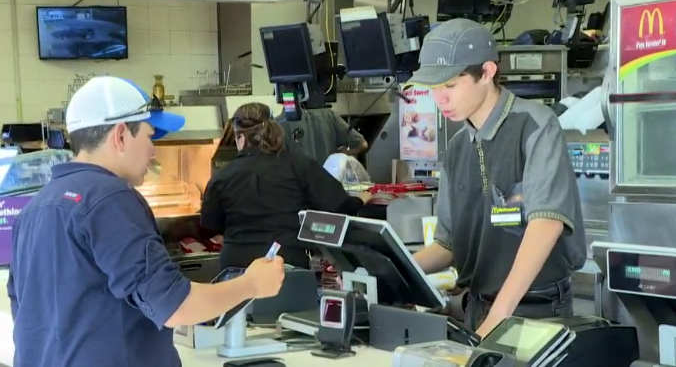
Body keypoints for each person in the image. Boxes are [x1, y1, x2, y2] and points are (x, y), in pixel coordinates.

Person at [6, 77, 286, 367]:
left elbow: (26, 311)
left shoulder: (34, 208)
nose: (153, 150)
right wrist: (251, 284)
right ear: (121, 135)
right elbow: (176, 306)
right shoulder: (110, 198)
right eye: (150, 136)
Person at [408, 19, 587, 337]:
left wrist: (499, 317)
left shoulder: (535, 126)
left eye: (450, 86)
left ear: (487, 72)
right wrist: (391, 268)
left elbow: (546, 224)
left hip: (535, 312)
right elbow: (446, 245)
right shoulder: (457, 146)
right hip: (476, 310)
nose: (440, 99)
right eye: (434, 88)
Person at [200, 102, 372, 270]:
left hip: (235, 267)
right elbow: (339, 208)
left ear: (241, 139)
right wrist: (362, 198)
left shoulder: (222, 177)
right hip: (284, 263)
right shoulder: (300, 165)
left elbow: (209, 225)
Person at [279, 107, 369, 166]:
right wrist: (343, 154)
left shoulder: (279, 123)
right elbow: (363, 144)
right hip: (328, 185)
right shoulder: (328, 115)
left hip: (298, 188)